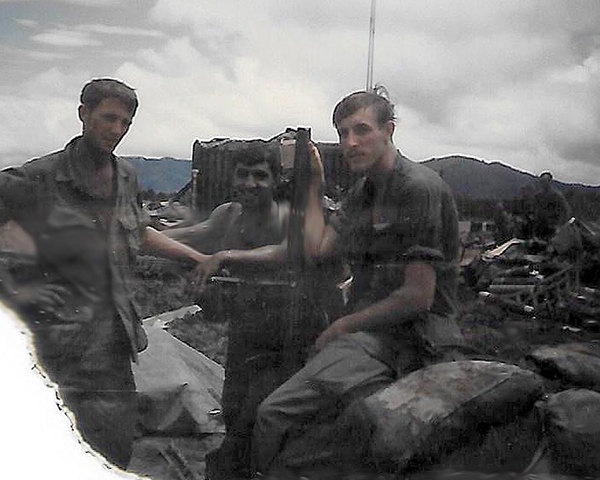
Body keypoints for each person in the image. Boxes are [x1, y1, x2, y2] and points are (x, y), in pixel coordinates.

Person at [0, 78, 210, 469]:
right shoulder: (37, 177)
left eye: (125, 123)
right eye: (108, 119)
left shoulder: (126, 177)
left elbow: (137, 231)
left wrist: (193, 255)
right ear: (83, 115)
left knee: (113, 444)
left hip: (112, 338)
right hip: (53, 341)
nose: (116, 130)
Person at [252, 91, 466, 474]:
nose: (350, 143)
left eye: (362, 130)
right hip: (374, 335)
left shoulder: (417, 188)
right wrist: (314, 182)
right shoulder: (364, 191)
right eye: (342, 133)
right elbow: (318, 247)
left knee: (275, 415)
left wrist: (341, 327)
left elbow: (418, 296)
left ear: (389, 130)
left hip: (416, 337)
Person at [167, 146, 339, 479]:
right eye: (242, 174)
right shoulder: (228, 214)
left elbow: (288, 251)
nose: (250, 183)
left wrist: (225, 255)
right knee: (233, 411)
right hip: (244, 335)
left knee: (258, 419)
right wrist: (137, 236)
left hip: (287, 341)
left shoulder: (286, 217)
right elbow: (191, 235)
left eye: (260, 175)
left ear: (276, 180)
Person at [530, 171, 571, 240]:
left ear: (550, 182)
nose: (544, 183)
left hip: (552, 228)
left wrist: (559, 225)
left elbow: (566, 211)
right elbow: (533, 210)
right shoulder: (537, 196)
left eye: (546, 181)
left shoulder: (557, 196)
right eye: (542, 181)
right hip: (538, 227)